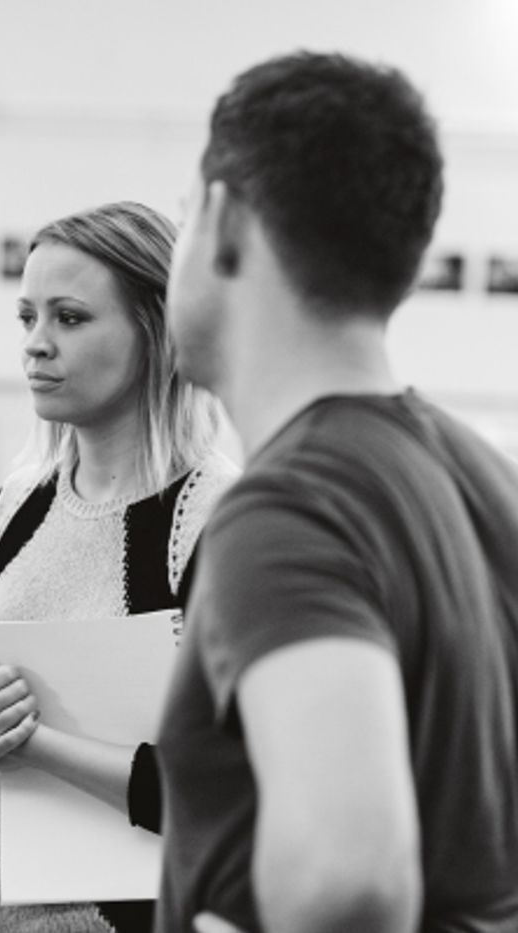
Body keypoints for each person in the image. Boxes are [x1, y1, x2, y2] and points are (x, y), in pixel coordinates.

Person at [157, 52, 518, 933]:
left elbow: (348, 885)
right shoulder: (484, 474)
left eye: (180, 219)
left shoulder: (289, 510)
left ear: (224, 222)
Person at [0, 202, 236, 933]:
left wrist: (32, 744)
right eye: (26, 317)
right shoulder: (16, 504)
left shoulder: (215, 518)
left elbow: (220, 791)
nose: (35, 344)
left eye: (69, 318)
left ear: (156, 331)